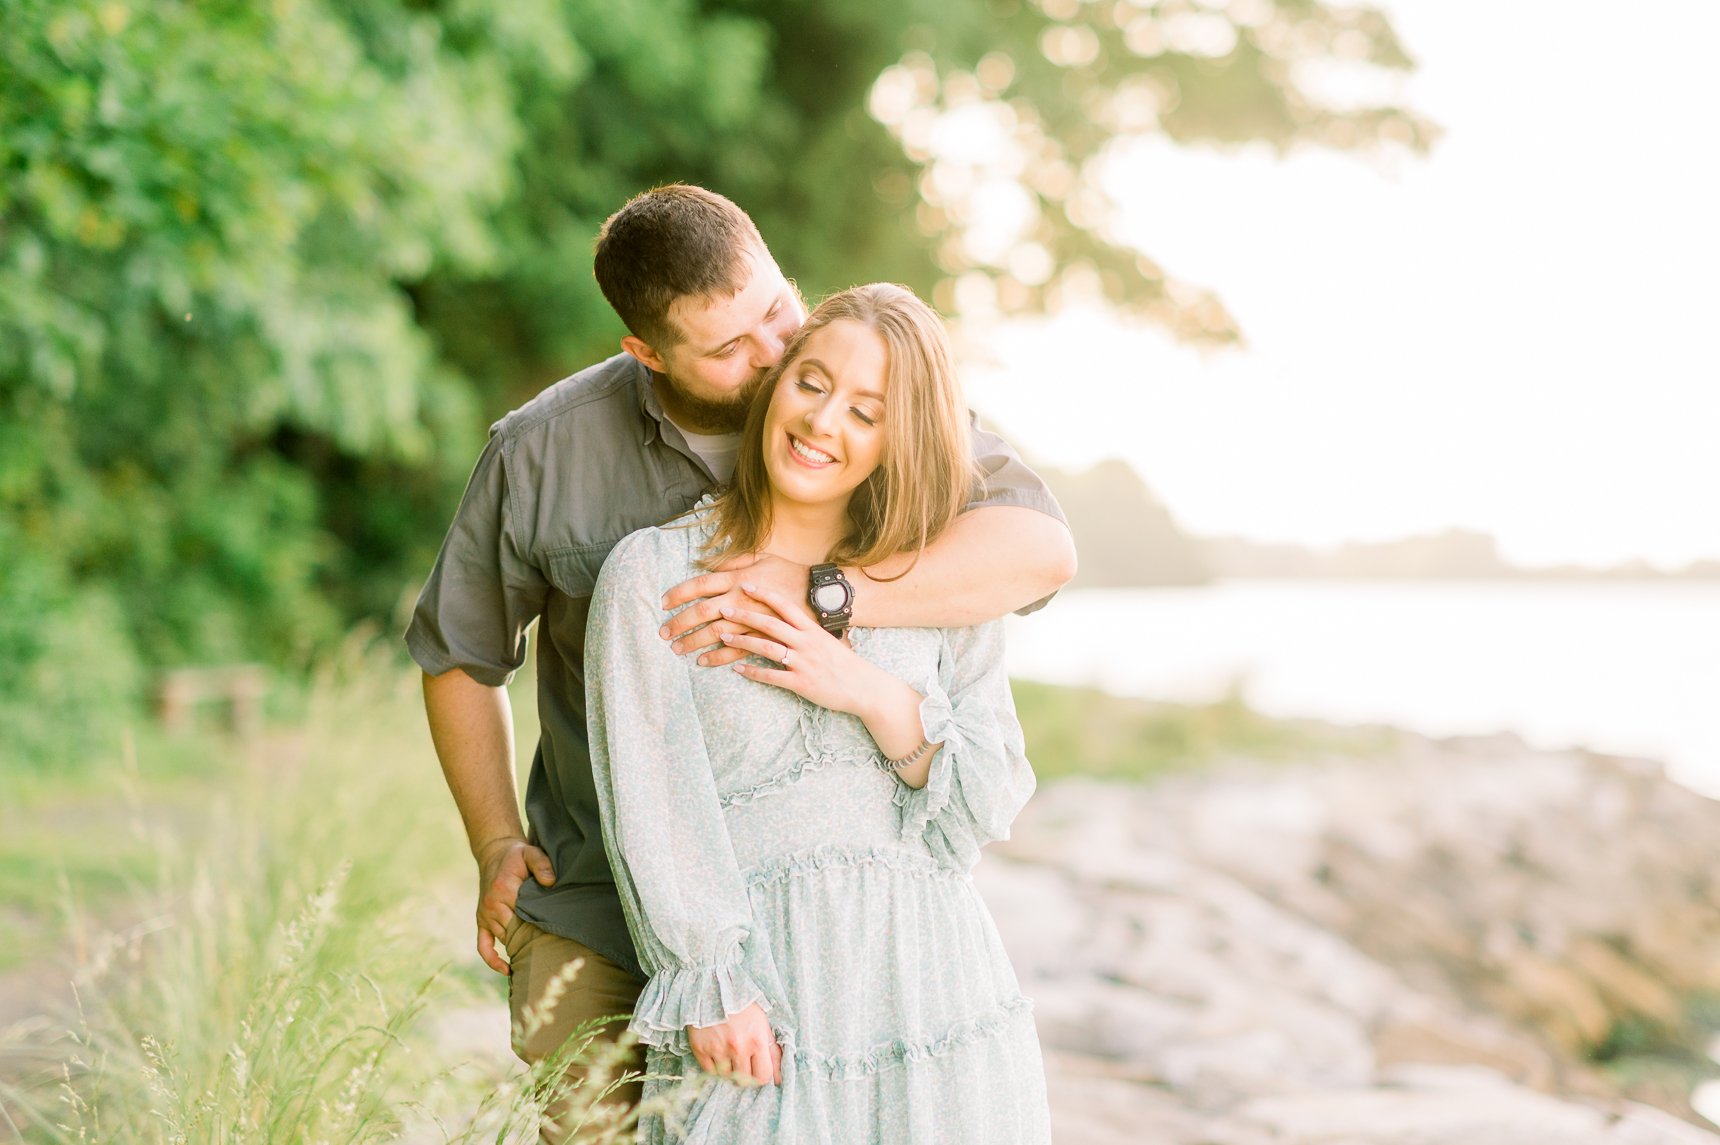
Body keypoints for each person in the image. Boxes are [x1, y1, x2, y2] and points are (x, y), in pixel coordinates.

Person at [407, 186, 1074, 1140]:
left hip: (865, 956)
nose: (773, 359)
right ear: (649, 353)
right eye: (730, 348)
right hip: (596, 894)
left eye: (775, 313)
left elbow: (1041, 553)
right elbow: (461, 656)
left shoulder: (861, 386)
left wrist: (830, 599)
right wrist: (492, 839)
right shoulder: (548, 456)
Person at [588, 282, 1053, 1143]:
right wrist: (711, 980)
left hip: (935, 990)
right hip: (764, 998)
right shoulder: (653, 573)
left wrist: (863, 687)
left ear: (896, 438)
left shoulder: (944, 579)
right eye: (812, 383)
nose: (823, 421)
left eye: (866, 411)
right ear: (776, 380)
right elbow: (649, 800)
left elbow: (975, 807)